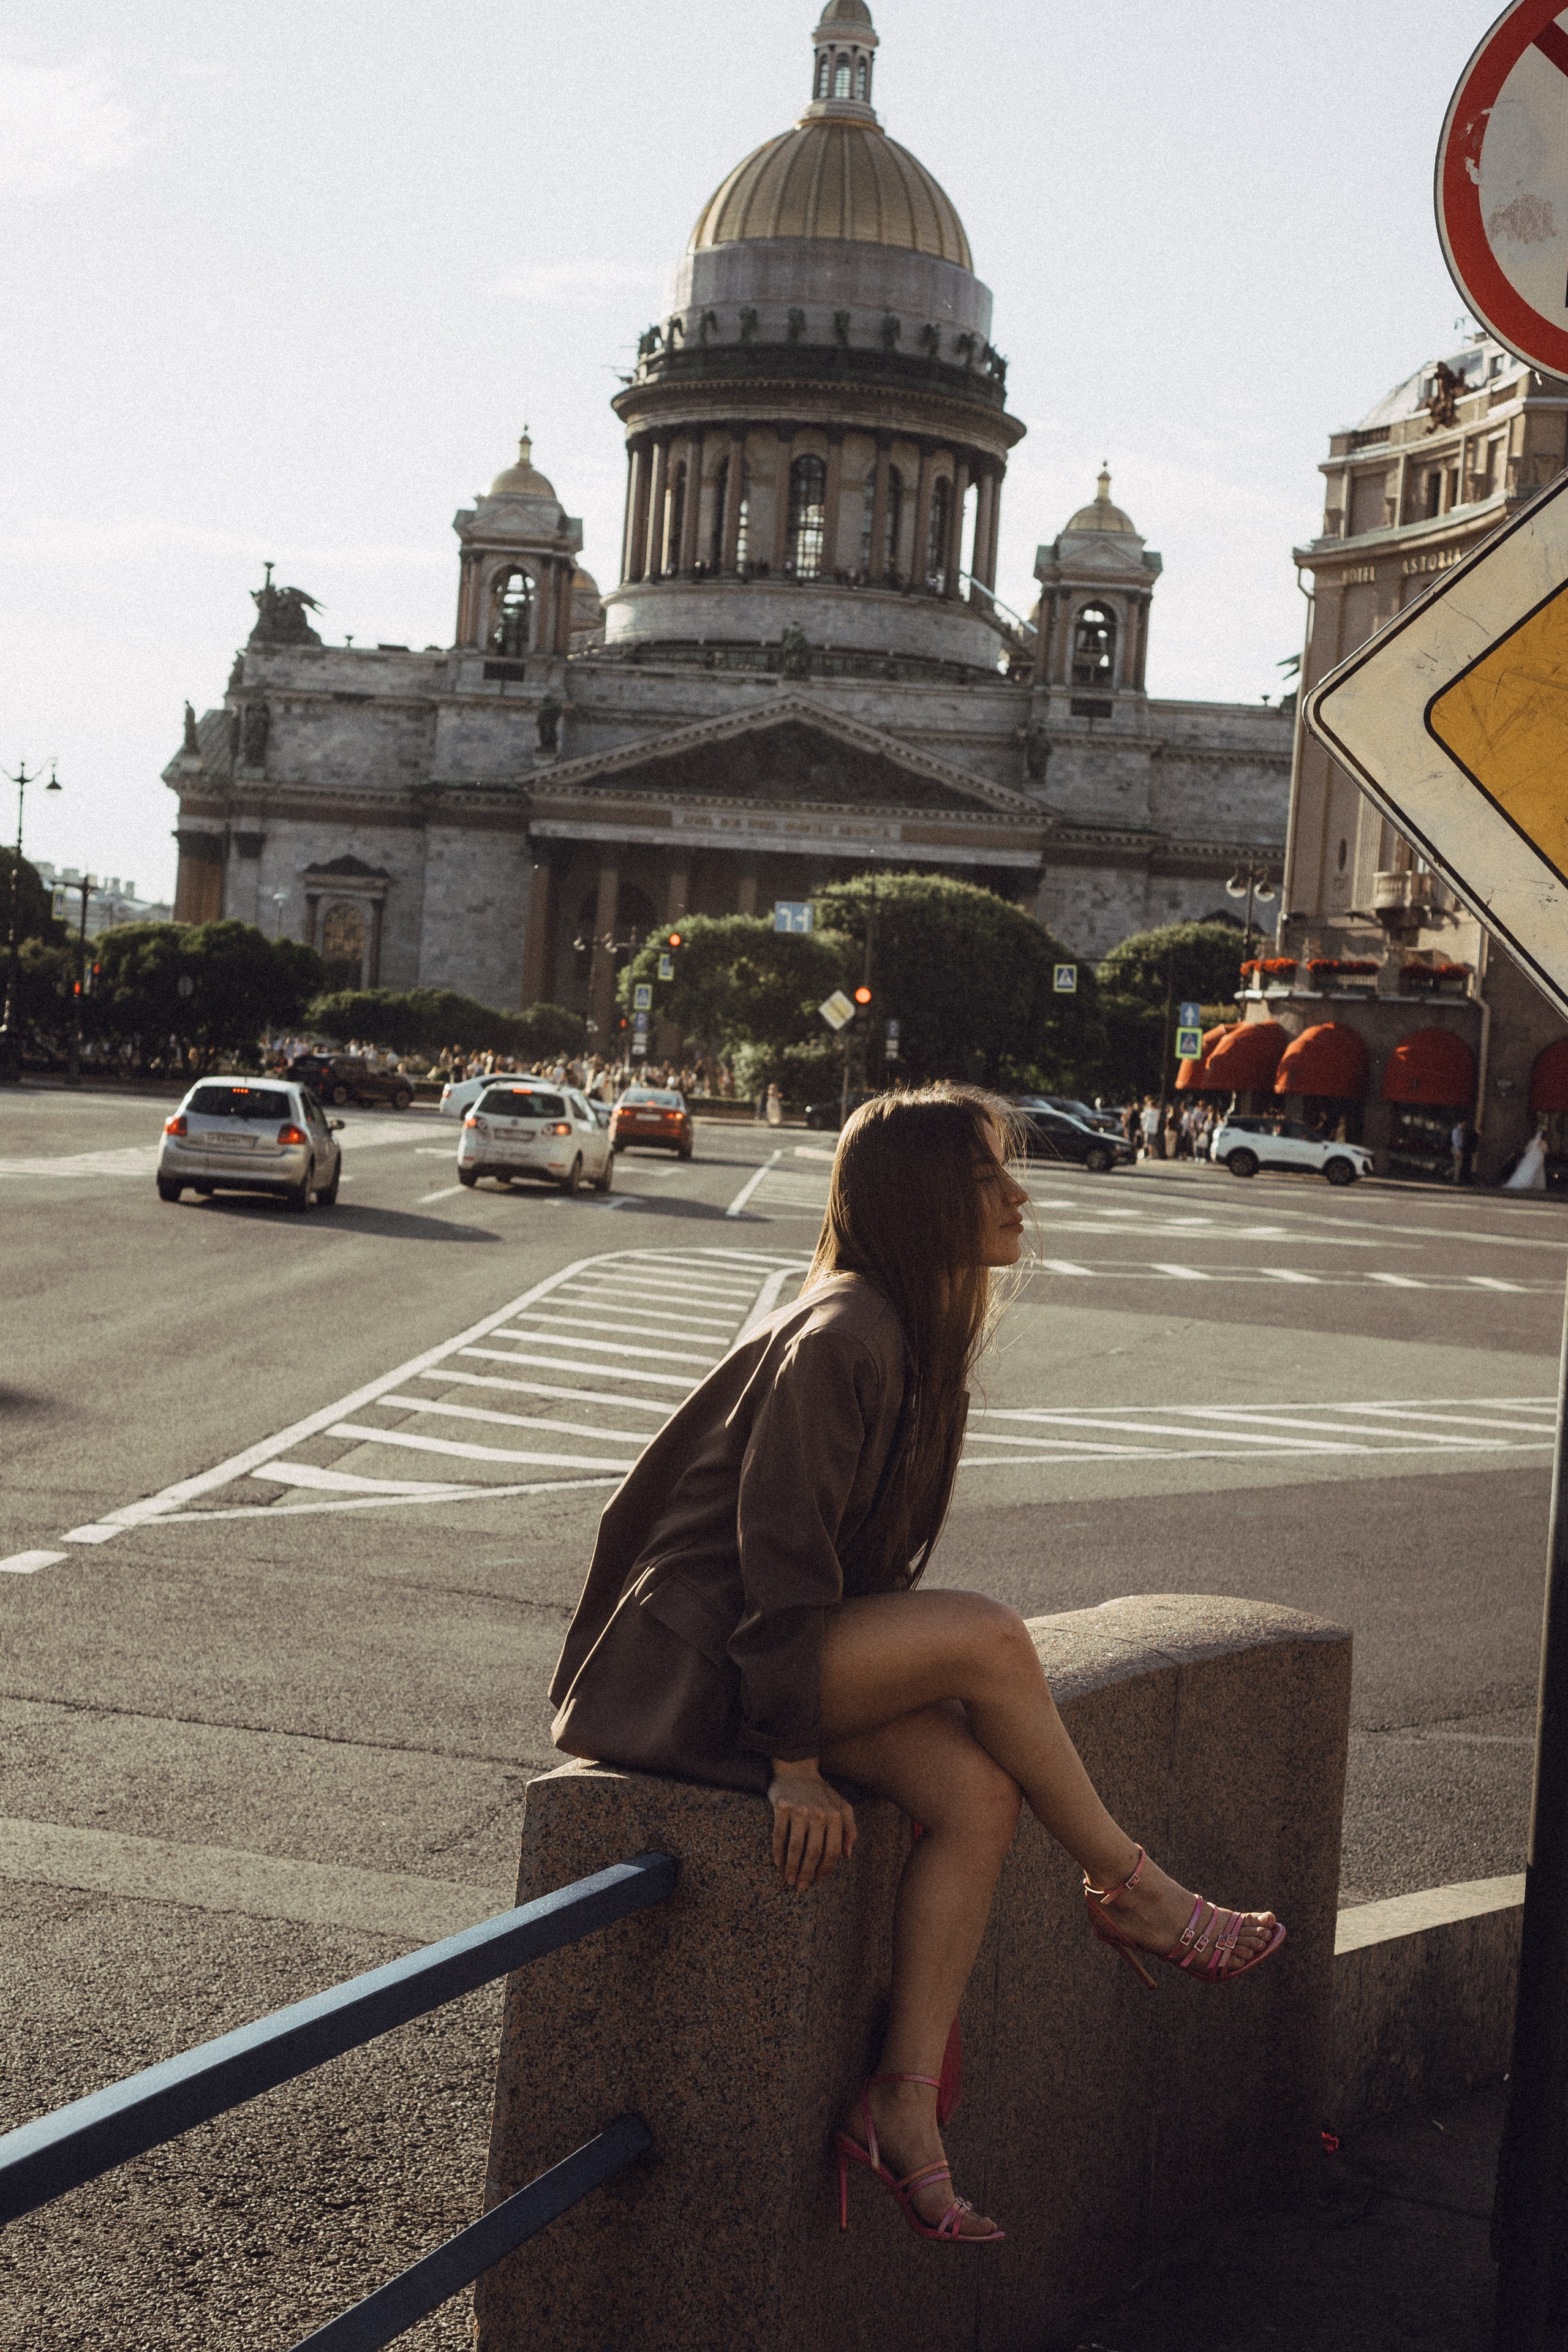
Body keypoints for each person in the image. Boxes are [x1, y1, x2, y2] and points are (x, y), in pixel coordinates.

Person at [549, 1086, 1284, 2247]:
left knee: (977, 1795)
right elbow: (780, 1561)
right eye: (990, 1177)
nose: (1019, 1197)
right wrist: (795, 1763)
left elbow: (846, 1576)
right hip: (687, 1671)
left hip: (753, 1658)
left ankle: (903, 2106)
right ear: (920, 1202)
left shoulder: (901, 1333)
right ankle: (1134, 1889)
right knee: (992, 1638)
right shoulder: (847, 1332)